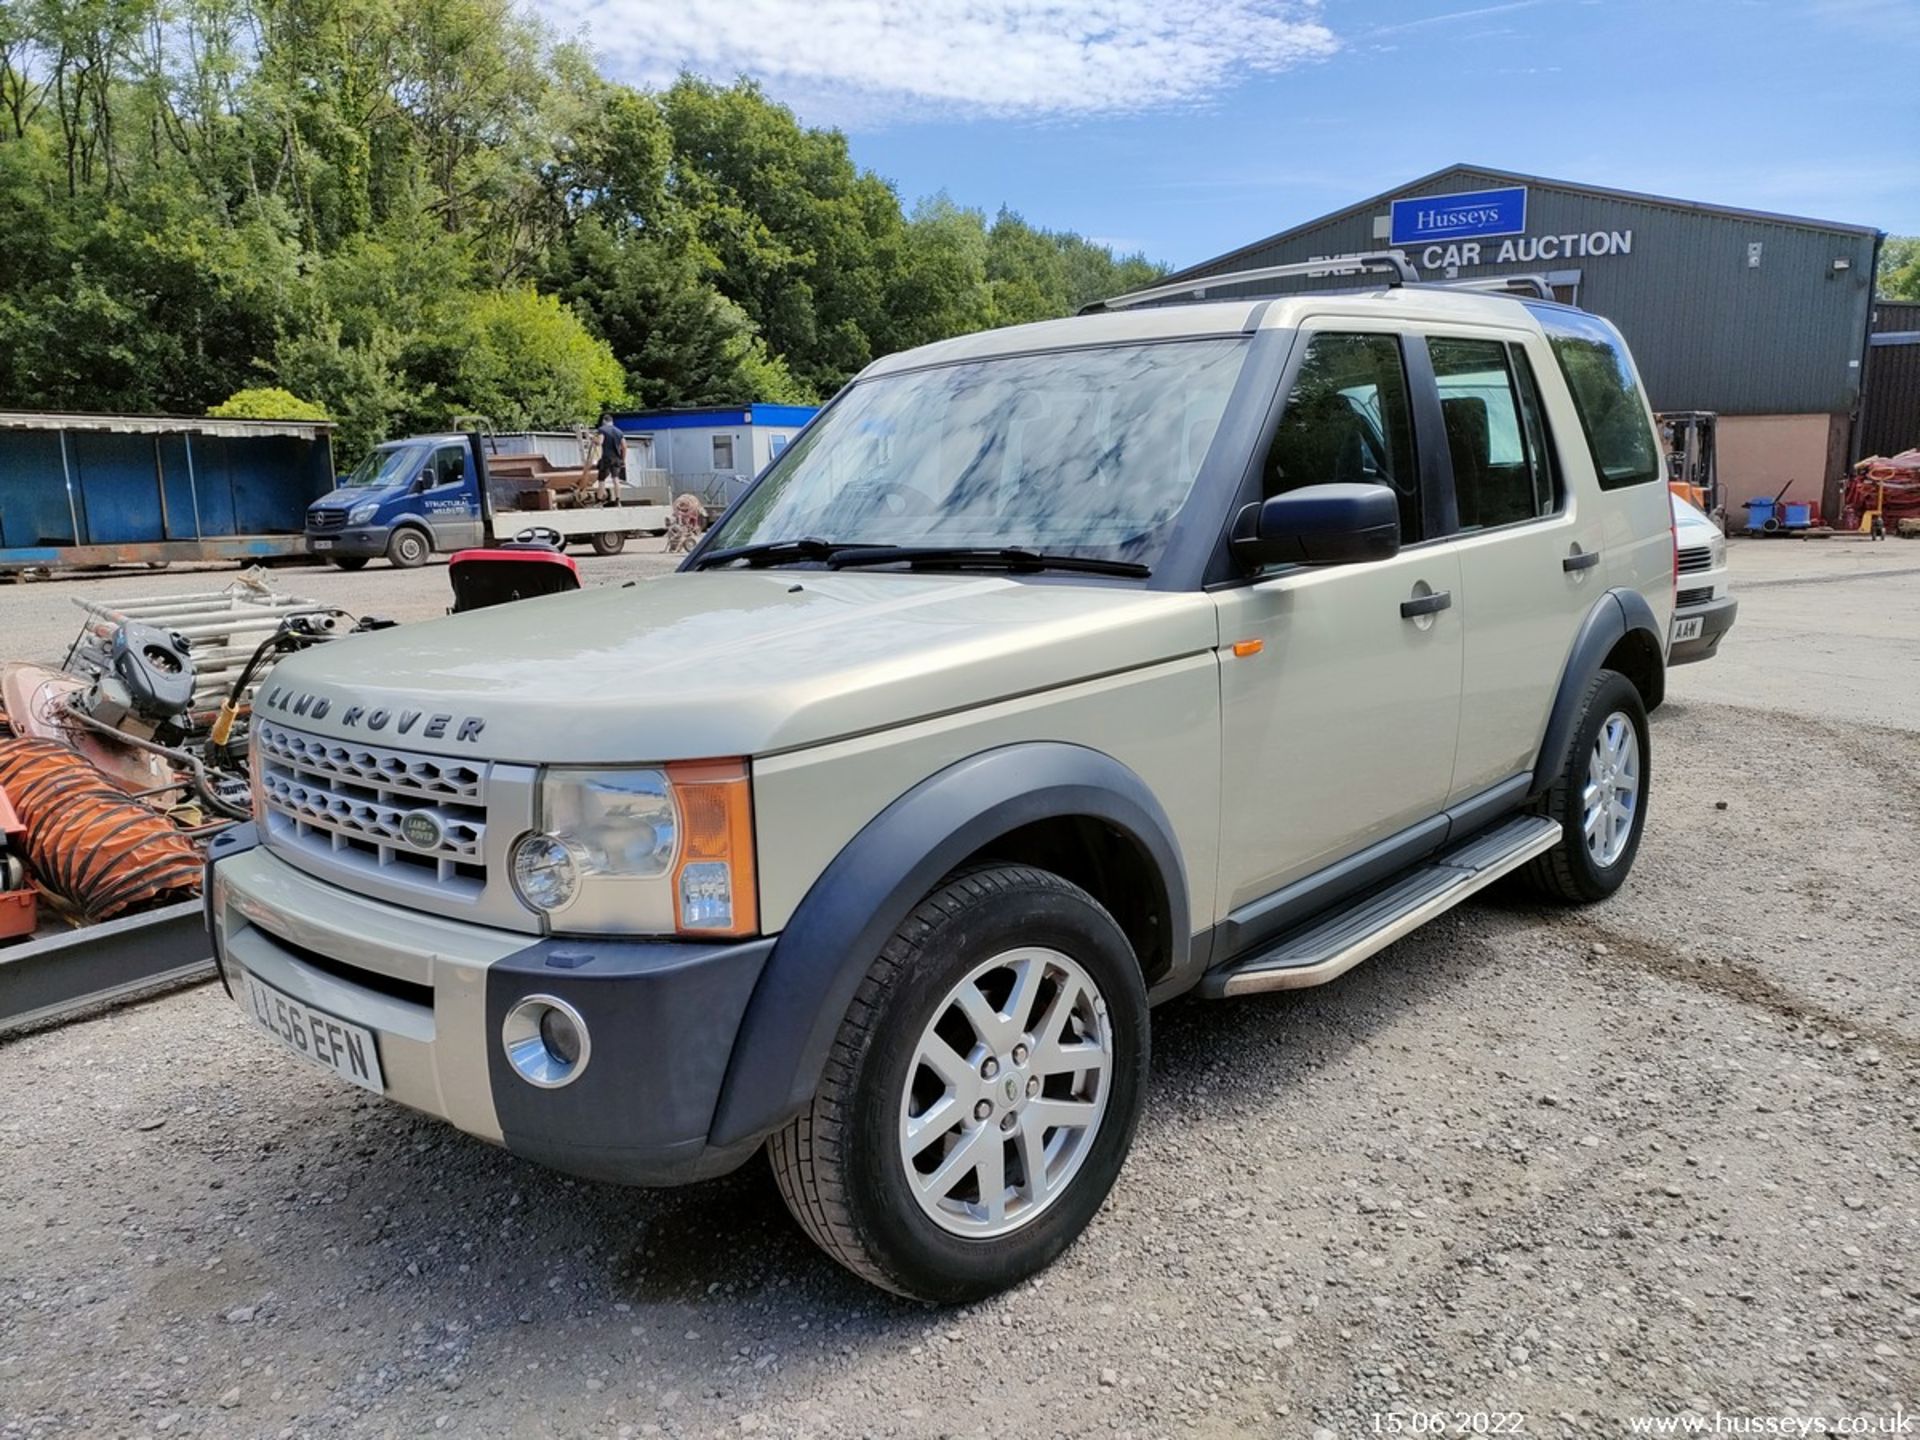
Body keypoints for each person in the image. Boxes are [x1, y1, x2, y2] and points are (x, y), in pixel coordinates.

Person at [595, 414, 626, 495]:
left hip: (606, 458)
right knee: (616, 479)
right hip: (616, 458)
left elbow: (599, 442)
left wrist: (594, 439)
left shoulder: (602, 429)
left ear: (604, 421)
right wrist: (623, 459)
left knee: (601, 479)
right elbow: (624, 447)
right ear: (612, 421)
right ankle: (618, 500)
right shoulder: (619, 431)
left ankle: (599, 500)